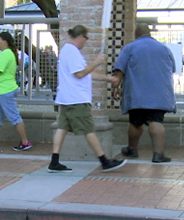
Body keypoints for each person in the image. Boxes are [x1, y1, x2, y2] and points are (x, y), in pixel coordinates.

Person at [48, 25, 127, 173]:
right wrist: (96, 62)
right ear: (81, 36)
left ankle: (54, 161)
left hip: (68, 98)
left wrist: (107, 78)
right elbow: (80, 74)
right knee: (89, 129)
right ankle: (104, 161)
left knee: (62, 128)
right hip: (76, 99)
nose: (86, 42)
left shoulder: (68, 51)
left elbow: (87, 74)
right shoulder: (72, 52)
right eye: (86, 38)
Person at [112, 24, 176, 163]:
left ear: (136, 34)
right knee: (156, 121)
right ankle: (158, 154)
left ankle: (132, 149)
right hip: (160, 94)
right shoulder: (164, 48)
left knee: (136, 122)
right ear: (149, 33)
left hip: (137, 94)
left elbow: (119, 71)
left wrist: (115, 87)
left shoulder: (130, 47)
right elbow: (172, 69)